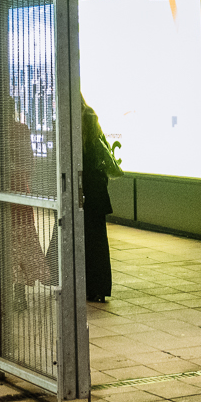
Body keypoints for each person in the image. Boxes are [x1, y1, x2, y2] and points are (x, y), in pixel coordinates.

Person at [81, 101, 121, 302]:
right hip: (97, 197)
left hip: (85, 197)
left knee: (87, 242)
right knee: (98, 243)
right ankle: (99, 288)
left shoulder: (80, 145)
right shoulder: (97, 142)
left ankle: (90, 286)